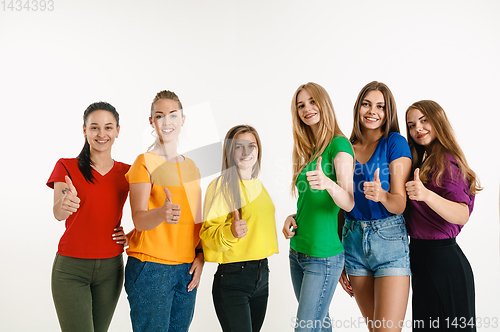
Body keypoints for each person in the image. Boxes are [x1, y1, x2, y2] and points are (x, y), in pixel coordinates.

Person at [124, 90, 204, 331]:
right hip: (151, 269)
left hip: (186, 268)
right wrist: (161, 213)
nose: (166, 122)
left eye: (173, 115)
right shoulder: (144, 162)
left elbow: (196, 221)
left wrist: (200, 256)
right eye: (159, 116)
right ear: (152, 122)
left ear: (183, 119)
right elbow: (139, 220)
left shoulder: (193, 167)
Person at [47, 101, 130, 332]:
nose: (101, 134)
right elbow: (58, 212)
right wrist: (65, 204)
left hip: (111, 269)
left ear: (117, 131)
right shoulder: (67, 166)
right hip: (70, 269)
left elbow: (147, 211)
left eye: (108, 127)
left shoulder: (128, 172)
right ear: (84, 130)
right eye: (94, 127)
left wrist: (131, 235)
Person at [339, 81, 412, 332]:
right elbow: (338, 205)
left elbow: (399, 204)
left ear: (387, 111)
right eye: (366, 104)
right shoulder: (344, 147)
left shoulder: (395, 142)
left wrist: (381, 195)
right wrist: (338, 257)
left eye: (380, 106)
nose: (372, 111)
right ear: (358, 107)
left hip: (388, 238)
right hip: (352, 240)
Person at [282, 82, 355, 332]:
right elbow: (311, 203)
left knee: (305, 328)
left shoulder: (339, 145)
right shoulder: (312, 150)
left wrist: (328, 184)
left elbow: (349, 201)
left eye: (312, 101)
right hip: (297, 252)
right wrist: (293, 217)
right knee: (319, 325)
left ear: (323, 104)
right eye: (301, 105)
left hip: (322, 257)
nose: (307, 109)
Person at [405, 100, 480, 331]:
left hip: (442, 264)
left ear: (438, 121)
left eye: (424, 120)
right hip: (424, 262)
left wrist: (426, 195)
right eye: (411, 124)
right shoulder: (425, 161)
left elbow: (461, 214)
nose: (418, 128)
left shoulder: (445, 161)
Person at [200, 125, 278, 332]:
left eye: (251, 146)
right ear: (229, 152)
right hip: (233, 278)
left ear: (258, 149)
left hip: (262, 274)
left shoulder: (259, 187)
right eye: (238, 147)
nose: (246, 152)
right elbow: (207, 234)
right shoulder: (220, 187)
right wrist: (231, 232)